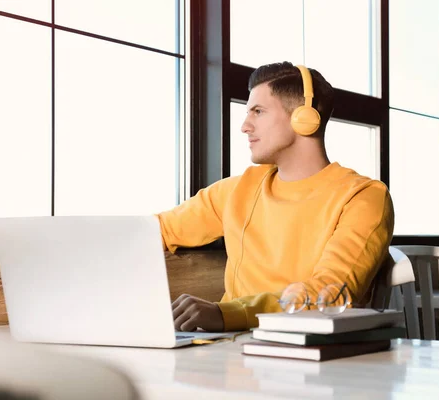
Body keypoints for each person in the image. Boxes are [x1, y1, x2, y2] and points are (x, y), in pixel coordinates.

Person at [159, 61, 394, 332]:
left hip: (307, 357)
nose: (245, 126)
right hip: (225, 349)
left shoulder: (363, 197)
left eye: (258, 111)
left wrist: (225, 314)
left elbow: (327, 295)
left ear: (303, 118)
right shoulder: (237, 190)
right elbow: (159, 230)